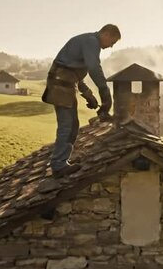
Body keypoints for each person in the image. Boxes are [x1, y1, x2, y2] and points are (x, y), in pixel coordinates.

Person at [42, 24, 121, 178]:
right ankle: (58, 165)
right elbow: (93, 67)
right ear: (106, 34)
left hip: (65, 84)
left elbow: (76, 74)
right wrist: (104, 91)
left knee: (73, 125)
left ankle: (63, 159)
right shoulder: (92, 41)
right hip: (61, 85)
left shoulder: (87, 40)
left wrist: (88, 94)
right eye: (112, 42)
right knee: (67, 125)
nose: (111, 46)